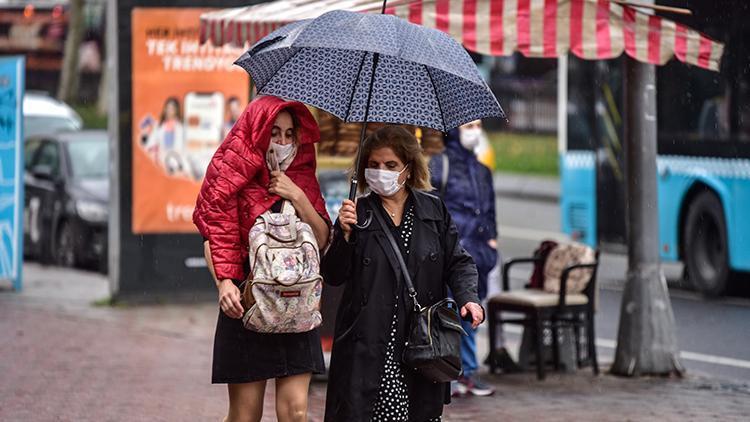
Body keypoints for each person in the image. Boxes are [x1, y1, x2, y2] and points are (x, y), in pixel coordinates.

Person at [322, 125, 485, 422]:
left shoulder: (433, 210)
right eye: (373, 165)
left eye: (390, 165)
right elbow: (333, 274)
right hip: (370, 345)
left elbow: (458, 261)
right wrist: (343, 235)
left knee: (420, 412)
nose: (380, 171)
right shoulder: (357, 213)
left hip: (420, 345)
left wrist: (468, 298)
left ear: (408, 169)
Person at [193, 95, 331, 422]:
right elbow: (214, 235)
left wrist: (295, 194)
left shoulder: (302, 176)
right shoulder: (232, 173)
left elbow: (323, 239)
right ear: (258, 132)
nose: (283, 142)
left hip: (297, 304)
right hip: (247, 301)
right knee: (245, 415)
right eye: (275, 132)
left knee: (296, 412)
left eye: (289, 134)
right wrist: (223, 282)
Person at [429, 120, 497, 397]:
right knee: (450, 313)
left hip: (478, 253)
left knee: (473, 312)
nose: (475, 131)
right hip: (453, 251)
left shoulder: (481, 170)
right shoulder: (439, 165)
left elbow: (489, 208)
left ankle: (467, 371)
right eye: (469, 125)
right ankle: (453, 370)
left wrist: (491, 240)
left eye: (478, 125)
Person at [141, 96, 187, 175]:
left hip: (178, 159)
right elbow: (150, 143)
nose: (169, 111)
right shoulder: (159, 126)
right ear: (165, 109)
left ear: (177, 111)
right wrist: (145, 138)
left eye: (172, 109)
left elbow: (186, 147)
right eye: (168, 108)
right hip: (163, 161)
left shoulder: (182, 127)